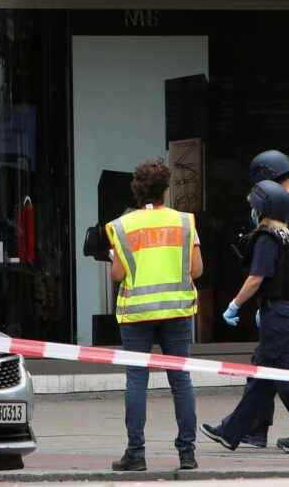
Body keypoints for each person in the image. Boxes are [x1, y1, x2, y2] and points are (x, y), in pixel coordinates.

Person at [200, 180, 289, 454]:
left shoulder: (267, 238)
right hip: (288, 314)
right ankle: (233, 431)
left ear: (264, 210)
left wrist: (234, 304)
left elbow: (256, 278)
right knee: (263, 376)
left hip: (277, 318)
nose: (252, 212)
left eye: (254, 208)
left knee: (287, 382)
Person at [104, 158, 203, 472]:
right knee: (180, 381)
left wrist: (114, 258)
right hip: (176, 311)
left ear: (136, 190)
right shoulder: (184, 222)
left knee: (136, 381)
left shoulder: (122, 226)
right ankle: (187, 454)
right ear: (166, 189)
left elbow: (117, 275)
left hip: (137, 314)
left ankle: (136, 453)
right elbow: (197, 269)